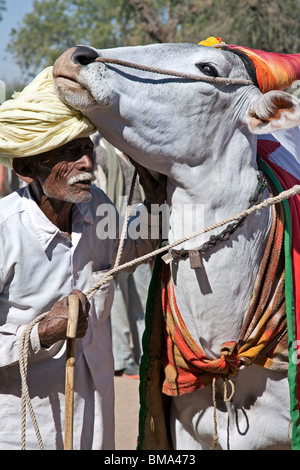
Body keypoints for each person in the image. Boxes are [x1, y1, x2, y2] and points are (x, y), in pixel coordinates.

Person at [0, 67, 166, 450]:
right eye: (70, 153)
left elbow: (134, 247)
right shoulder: (5, 231)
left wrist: (158, 204)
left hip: (93, 425)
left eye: (87, 149)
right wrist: (40, 336)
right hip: (23, 431)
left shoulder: (97, 207)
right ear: (26, 169)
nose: (88, 164)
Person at [93, 135, 153, 378]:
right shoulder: (100, 154)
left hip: (140, 230)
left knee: (143, 293)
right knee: (116, 295)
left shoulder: (138, 153)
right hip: (112, 229)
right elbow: (99, 195)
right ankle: (123, 358)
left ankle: (145, 353)